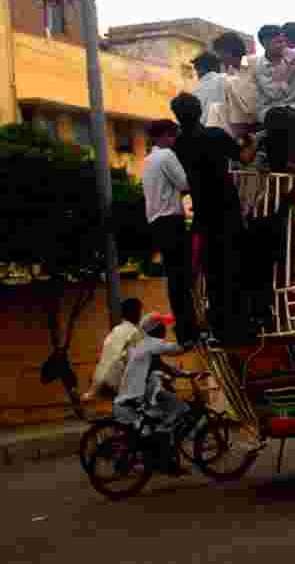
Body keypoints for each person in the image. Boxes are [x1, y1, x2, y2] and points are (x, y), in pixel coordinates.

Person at [172, 92, 258, 345]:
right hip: (227, 212)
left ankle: (220, 330)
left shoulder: (178, 145)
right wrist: (252, 140)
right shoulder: (215, 135)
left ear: (177, 116)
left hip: (203, 216)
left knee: (213, 274)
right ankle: (243, 326)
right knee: (235, 268)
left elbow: (183, 185)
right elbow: (245, 157)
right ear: (199, 111)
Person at [113, 312, 191, 475]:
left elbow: (160, 365)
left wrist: (184, 374)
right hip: (139, 394)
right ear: (156, 329)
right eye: (162, 325)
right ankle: (163, 459)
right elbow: (178, 349)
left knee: (171, 406)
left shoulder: (140, 344)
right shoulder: (151, 343)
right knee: (175, 412)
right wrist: (196, 340)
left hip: (134, 391)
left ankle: (161, 452)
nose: (165, 328)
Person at [142, 119, 196, 345]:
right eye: (173, 136)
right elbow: (185, 184)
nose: (175, 142)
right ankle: (188, 332)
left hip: (156, 223)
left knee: (175, 279)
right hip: (171, 222)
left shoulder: (148, 160)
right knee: (183, 279)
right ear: (164, 136)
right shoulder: (166, 156)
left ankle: (184, 332)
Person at [254, 24, 295, 172]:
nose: (282, 45)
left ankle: (289, 165)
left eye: (283, 41)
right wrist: (290, 70)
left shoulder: (292, 56)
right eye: (277, 42)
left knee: (289, 115)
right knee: (278, 115)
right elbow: (274, 94)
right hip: (269, 108)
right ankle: (283, 166)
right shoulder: (260, 65)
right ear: (264, 43)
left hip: (294, 105)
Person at [83, 298, 144, 400]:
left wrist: (93, 390)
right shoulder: (135, 333)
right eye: (140, 313)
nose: (141, 316)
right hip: (119, 384)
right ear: (136, 314)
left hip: (102, 381)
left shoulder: (115, 331)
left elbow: (104, 360)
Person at [207, 32, 260, 140]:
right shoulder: (229, 74)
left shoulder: (255, 62)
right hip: (241, 123)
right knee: (215, 108)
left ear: (229, 52)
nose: (219, 58)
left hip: (260, 115)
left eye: (220, 53)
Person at [190, 51, 226, 126]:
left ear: (200, 69)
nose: (196, 73)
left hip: (203, 134)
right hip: (224, 133)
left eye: (196, 68)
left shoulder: (194, 93)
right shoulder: (227, 79)